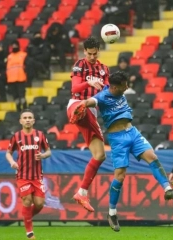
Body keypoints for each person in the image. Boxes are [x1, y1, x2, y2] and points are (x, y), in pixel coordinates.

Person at [70, 71, 173, 232]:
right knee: (120, 176)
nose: (127, 87)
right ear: (115, 87)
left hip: (133, 132)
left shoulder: (114, 87)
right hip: (118, 138)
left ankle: (168, 189)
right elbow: (90, 101)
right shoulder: (102, 97)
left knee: (153, 157)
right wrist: (80, 106)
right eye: (124, 85)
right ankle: (112, 213)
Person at [66, 36, 110, 212]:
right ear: (84, 52)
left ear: (98, 51)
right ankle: (79, 110)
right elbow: (74, 88)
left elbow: (107, 92)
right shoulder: (80, 65)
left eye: (95, 53)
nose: (92, 56)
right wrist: (89, 82)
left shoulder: (104, 69)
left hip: (91, 112)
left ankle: (82, 192)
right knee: (81, 105)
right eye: (89, 53)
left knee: (100, 155)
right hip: (76, 103)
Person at [5, 109, 51, 239]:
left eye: (30, 117)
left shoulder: (40, 135)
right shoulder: (16, 136)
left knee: (39, 204)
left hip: (37, 176)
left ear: (34, 120)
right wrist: (12, 162)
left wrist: (43, 155)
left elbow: (49, 151)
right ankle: (29, 232)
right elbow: (8, 153)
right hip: (23, 175)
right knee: (27, 200)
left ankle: (26, 217)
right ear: (20, 121)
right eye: (24, 118)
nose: (27, 119)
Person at [6, 40, 29, 111]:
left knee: (22, 95)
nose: (14, 47)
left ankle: (25, 108)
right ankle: (18, 110)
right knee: (15, 97)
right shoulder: (9, 56)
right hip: (11, 80)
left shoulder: (23, 55)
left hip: (21, 78)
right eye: (13, 45)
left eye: (15, 45)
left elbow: (27, 66)